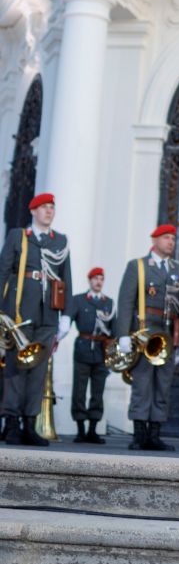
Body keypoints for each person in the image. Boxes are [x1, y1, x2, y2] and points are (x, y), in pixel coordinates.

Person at [0, 192, 71, 448]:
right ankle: (10, 422)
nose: (49, 211)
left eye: (52, 207)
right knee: (15, 369)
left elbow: (66, 279)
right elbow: (3, 271)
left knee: (38, 370)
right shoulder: (19, 236)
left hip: (48, 314)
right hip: (19, 312)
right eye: (44, 207)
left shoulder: (60, 242)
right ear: (33, 211)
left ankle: (30, 422)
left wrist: (67, 317)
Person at [116, 224, 179, 453]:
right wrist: (122, 335)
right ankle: (140, 434)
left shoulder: (178, 269)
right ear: (155, 240)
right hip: (144, 334)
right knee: (142, 384)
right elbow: (126, 301)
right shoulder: (138, 266)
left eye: (173, 239)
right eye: (166, 238)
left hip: (167, 334)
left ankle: (155, 434)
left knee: (163, 385)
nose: (171, 242)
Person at [68, 268, 115, 444]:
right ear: (89, 280)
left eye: (101, 279)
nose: (99, 282)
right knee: (79, 391)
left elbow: (114, 330)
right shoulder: (79, 300)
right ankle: (80, 430)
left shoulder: (109, 303)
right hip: (83, 348)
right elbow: (68, 319)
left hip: (101, 351)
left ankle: (92, 430)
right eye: (95, 278)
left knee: (98, 392)